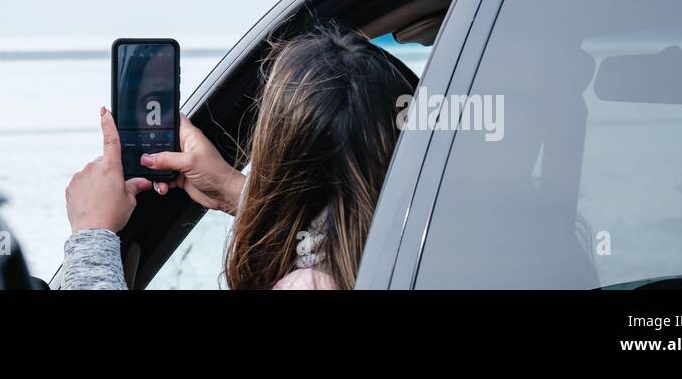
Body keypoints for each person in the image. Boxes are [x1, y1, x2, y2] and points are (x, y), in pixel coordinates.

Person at [61, 24, 419, 289]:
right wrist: (233, 190)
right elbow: (350, 227)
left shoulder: (310, 285)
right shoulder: (418, 254)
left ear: (276, 153)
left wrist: (92, 235)